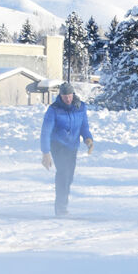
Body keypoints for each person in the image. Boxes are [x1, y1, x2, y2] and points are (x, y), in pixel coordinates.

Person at [40, 82, 94, 216]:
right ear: (60, 96)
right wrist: (46, 153)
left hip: (72, 146)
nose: (68, 99)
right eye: (65, 97)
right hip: (58, 145)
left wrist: (88, 139)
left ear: (73, 94)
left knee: (69, 177)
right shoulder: (54, 109)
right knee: (63, 174)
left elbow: (84, 126)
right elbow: (45, 132)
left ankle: (63, 205)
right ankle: (60, 208)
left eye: (69, 96)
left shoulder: (81, 107)